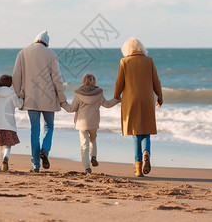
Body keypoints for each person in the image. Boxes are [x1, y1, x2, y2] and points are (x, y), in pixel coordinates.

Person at [12, 31, 67, 172]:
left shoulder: (22, 53)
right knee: (49, 127)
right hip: (49, 98)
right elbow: (57, 78)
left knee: (34, 130)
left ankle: (35, 165)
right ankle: (45, 150)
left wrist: (19, 94)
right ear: (46, 43)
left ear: (35, 40)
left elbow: (16, 76)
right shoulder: (51, 54)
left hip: (31, 98)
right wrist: (62, 98)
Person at [113, 37, 163, 177]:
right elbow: (156, 81)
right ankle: (146, 152)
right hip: (147, 99)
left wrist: (116, 96)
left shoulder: (125, 61)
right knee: (146, 131)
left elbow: (119, 82)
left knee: (135, 133)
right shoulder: (149, 61)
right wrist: (160, 96)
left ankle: (138, 168)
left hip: (131, 100)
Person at [62, 73, 120, 173]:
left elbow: (71, 109)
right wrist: (117, 100)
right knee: (92, 138)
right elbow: (107, 104)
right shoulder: (98, 94)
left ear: (83, 81)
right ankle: (93, 156)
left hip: (82, 123)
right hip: (93, 122)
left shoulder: (79, 94)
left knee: (84, 145)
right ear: (94, 81)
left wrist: (63, 104)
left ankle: (87, 168)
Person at [0, 75, 23, 172]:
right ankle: (6, 158)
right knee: (8, 145)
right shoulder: (13, 94)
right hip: (9, 125)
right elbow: (19, 105)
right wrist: (22, 98)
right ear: (10, 84)